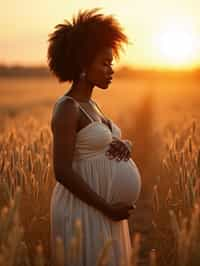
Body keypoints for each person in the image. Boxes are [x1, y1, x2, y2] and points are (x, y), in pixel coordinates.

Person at [47, 8, 142, 266]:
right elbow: (62, 171)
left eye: (112, 62)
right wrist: (106, 207)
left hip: (101, 209)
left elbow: (95, 145)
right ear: (82, 65)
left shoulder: (93, 106)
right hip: (83, 210)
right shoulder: (67, 107)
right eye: (105, 62)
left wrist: (122, 145)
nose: (111, 69)